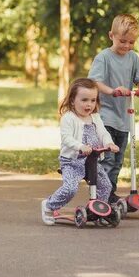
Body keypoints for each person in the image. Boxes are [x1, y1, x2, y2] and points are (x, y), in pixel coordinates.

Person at [87, 14, 139, 204]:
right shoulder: (104, 57)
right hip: (105, 117)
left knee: (117, 161)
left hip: (124, 119)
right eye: (123, 41)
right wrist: (112, 91)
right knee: (107, 159)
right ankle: (102, 196)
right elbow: (95, 82)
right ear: (111, 36)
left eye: (131, 42)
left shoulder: (133, 58)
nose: (127, 46)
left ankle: (110, 193)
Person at [41, 78, 119, 225]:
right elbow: (66, 138)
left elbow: (103, 133)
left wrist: (109, 143)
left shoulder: (95, 117)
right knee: (70, 188)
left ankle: (98, 212)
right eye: (84, 100)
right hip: (72, 161)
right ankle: (49, 205)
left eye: (92, 100)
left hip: (92, 161)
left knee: (106, 186)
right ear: (72, 100)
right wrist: (80, 146)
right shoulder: (68, 118)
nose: (89, 104)